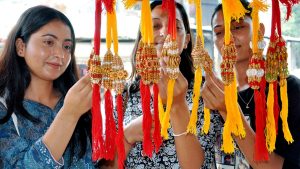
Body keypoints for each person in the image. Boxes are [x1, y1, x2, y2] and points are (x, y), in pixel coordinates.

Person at [101, 1, 221, 169]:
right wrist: (127, 136)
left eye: (175, 27)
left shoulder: (206, 92)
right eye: (155, 26)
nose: (165, 32)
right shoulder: (124, 95)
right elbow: (106, 166)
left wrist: (178, 106)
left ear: (186, 40)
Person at [201, 0, 300, 168]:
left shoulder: (287, 89)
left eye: (238, 27)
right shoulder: (212, 92)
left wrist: (229, 111)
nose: (227, 38)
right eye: (219, 32)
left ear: (259, 30)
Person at [0, 5, 95, 168]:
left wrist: (127, 137)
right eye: (49, 42)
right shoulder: (4, 108)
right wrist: (69, 114)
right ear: (21, 47)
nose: (60, 54)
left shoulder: (81, 101)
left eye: (67, 46)